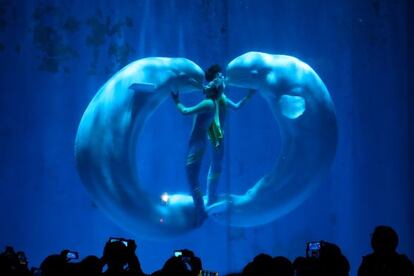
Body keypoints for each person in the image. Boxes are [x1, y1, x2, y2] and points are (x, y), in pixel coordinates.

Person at [171, 64, 255, 226]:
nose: (207, 84)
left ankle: (203, 208)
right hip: (207, 137)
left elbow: (185, 111)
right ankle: (206, 202)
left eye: (211, 83)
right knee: (202, 173)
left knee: (196, 176)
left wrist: (176, 100)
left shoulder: (210, 103)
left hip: (206, 139)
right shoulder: (212, 101)